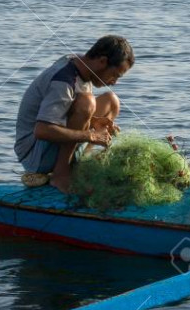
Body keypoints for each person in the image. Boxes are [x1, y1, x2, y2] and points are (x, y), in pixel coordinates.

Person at [14, 35, 134, 192]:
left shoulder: (83, 66)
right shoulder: (64, 80)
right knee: (87, 102)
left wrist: (93, 123)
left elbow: (67, 112)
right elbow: (42, 130)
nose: (114, 82)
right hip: (34, 154)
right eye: (115, 75)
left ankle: (76, 168)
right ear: (102, 61)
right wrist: (90, 135)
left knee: (111, 101)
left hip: (50, 141)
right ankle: (60, 175)